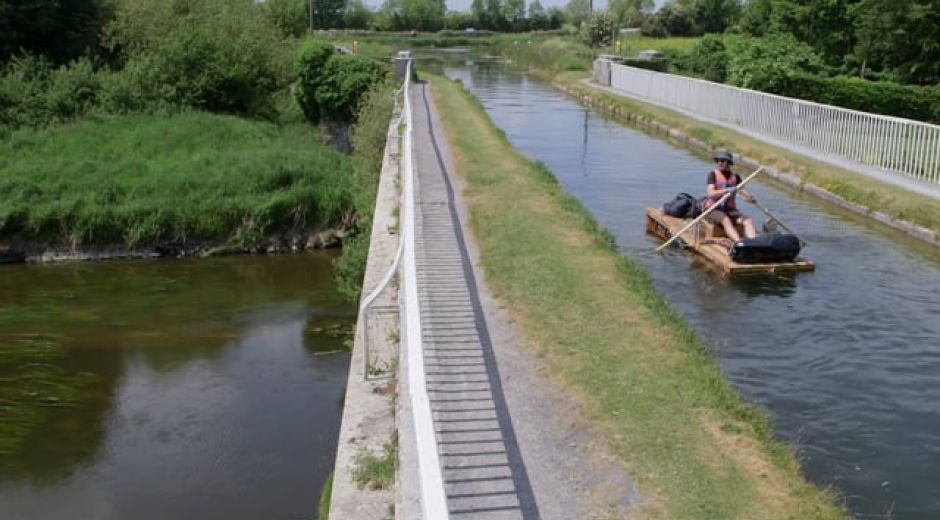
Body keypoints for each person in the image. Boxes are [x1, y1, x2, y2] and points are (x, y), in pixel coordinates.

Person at [704, 150, 757, 245]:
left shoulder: (736, 177)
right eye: (718, 161)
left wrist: (749, 198)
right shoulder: (712, 174)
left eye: (723, 161)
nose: (720, 163)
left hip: (730, 210)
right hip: (713, 209)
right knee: (726, 220)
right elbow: (711, 193)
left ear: (729, 163)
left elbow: (744, 194)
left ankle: (755, 243)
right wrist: (726, 190)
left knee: (748, 220)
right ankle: (740, 243)